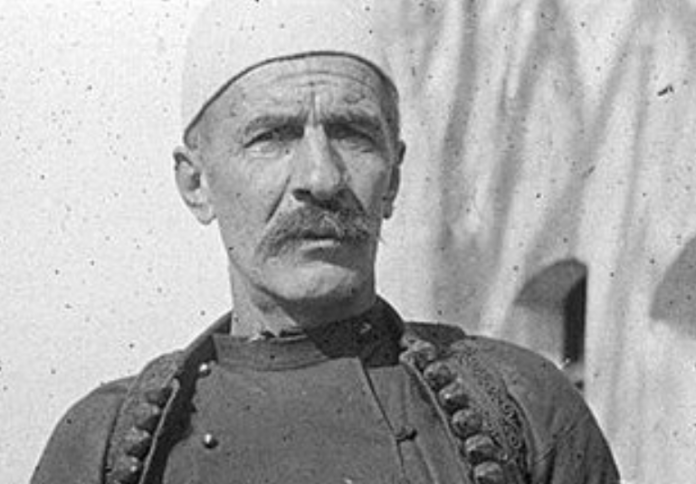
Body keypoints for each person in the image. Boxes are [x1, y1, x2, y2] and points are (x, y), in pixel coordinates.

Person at [31, 1, 619, 483]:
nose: (321, 177)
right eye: (272, 136)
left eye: (352, 133)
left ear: (394, 177)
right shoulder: (107, 449)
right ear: (195, 184)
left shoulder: (522, 411)